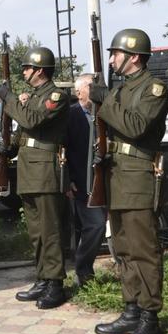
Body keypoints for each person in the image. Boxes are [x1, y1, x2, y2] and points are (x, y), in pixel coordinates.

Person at [89, 29, 168, 334]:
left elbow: (136, 127)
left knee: (143, 249)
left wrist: (104, 99)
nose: (111, 60)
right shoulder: (120, 90)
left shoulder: (154, 88)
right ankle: (131, 308)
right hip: (116, 175)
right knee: (121, 248)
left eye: (115, 54)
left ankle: (150, 317)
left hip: (137, 176)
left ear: (133, 56)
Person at [0, 46, 70, 309]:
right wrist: (11, 146)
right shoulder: (35, 95)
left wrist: (11, 99)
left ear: (39, 70)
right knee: (36, 231)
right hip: (30, 169)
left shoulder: (55, 95)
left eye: (27, 68)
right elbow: (24, 131)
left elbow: (32, 121)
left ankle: (55, 283)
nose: (24, 72)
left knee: (49, 231)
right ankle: (43, 276)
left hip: (46, 170)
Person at [65, 74, 106, 286]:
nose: (96, 89)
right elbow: (62, 149)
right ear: (79, 92)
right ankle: (82, 268)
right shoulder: (71, 115)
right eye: (92, 86)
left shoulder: (101, 112)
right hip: (81, 181)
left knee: (97, 226)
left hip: (103, 180)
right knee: (96, 225)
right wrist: (67, 179)